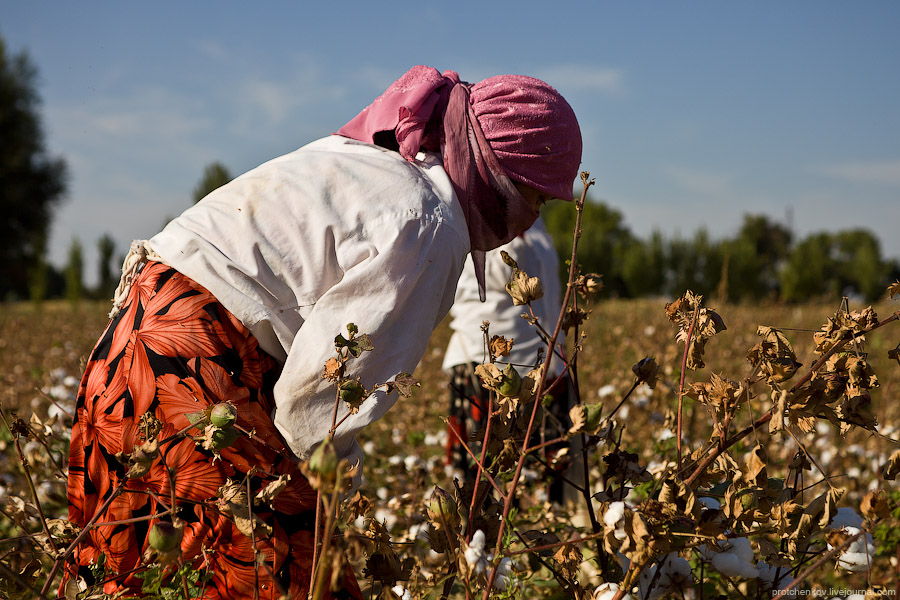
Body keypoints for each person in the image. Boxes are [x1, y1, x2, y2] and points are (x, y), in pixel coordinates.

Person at [63, 65, 581, 598]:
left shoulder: (380, 161)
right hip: (193, 360)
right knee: (289, 576)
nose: (529, 220)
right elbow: (322, 402)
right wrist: (332, 503)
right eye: (536, 198)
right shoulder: (432, 224)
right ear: (496, 171)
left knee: (121, 560)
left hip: (137, 334)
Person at [442, 215, 579, 504]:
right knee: (485, 487)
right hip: (486, 366)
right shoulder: (471, 216)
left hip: (546, 368)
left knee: (545, 492)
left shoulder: (537, 219)